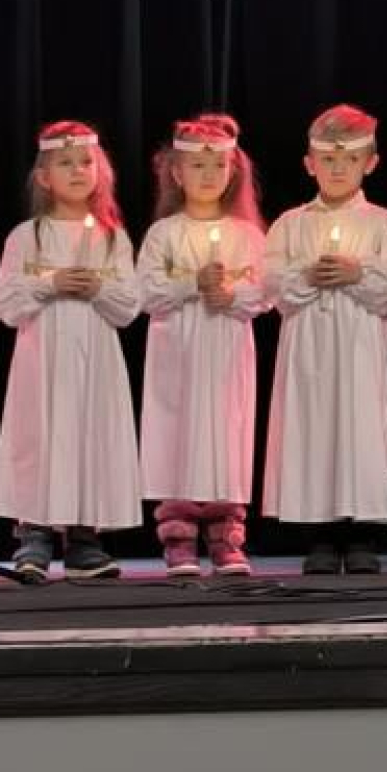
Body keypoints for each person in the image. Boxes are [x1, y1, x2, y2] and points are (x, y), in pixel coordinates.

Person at [0, 119, 143, 582]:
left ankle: (84, 538)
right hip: (42, 358)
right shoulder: (26, 237)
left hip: (96, 357)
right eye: (65, 163)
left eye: (85, 162)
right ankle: (33, 534)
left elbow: (129, 305)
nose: (77, 171)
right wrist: (50, 282)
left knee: (89, 434)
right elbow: (4, 302)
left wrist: (98, 288)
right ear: (44, 177)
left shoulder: (112, 237)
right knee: (39, 434)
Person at [261, 103, 387, 575]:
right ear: (310, 164)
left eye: (349, 159)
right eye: (328, 159)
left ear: (370, 162)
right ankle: (320, 536)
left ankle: (362, 533)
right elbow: (271, 284)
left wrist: (357, 273)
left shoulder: (384, 223)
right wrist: (307, 276)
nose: (338, 168)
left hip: (359, 347)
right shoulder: (290, 224)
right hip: (307, 348)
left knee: (359, 430)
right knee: (311, 429)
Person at [136, 111, 269, 577]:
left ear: (233, 171)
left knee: (226, 434)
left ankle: (226, 534)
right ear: (177, 172)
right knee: (177, 433)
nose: (208, 175)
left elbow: (267, 291)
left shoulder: (247, 234)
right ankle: (179, 535)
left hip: (226, 349)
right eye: (197, 166)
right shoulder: (164, 233)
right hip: (177, 349)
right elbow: (144, 291)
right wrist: (192, 284)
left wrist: (232, 296)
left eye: (218, 166)